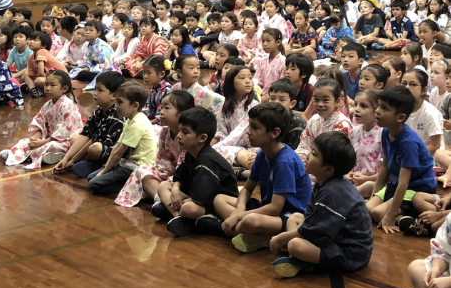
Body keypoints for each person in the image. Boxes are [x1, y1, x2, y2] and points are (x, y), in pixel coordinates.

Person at [270, 132, 374, 278]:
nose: (307, 156)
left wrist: (283, 238)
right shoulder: (325, 183)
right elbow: (311, 220)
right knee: (295, 218)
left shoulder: (333, 192)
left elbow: (316, 233)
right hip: (333, 239)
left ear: (329, 169)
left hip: (349, 254)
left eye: (313, 154)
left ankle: (304, 262)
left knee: (295, 245)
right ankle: (301, 257)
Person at [212, 102, 312, 250]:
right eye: (249, 126)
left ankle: (224, 227)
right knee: (219, 199)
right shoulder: (262, 154)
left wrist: (239, 216)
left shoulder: (285, 162)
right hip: (267, 209)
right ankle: (243, 232)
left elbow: (275, 209)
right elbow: (247, 189)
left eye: (255, 128)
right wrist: (240, 209)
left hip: (289, 217)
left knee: (250, 221)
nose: (248, 132)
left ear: (275, 133)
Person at [157, 108, 240, 238]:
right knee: (163, 186)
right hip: (196, 198)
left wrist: (178, 199)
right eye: (180, 130)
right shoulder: (191, 153)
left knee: (188, 209)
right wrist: (175, 191)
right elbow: (179, 177)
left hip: (214, 204)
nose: (178, 136)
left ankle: (191, 217)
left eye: (185, 132)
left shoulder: (206, 160)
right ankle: (178, 218)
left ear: (202, 138)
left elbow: (200, 199)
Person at [366, 87, 437, 233]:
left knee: (379, 214)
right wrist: (374, 196)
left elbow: (405, 183)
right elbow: (385, 168)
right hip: (398, 185)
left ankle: (415, 222)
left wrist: (390, 216)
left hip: (417, 188)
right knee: (368, 209)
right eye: (379, 105)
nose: (377, 110)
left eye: (384, 108)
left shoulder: (408, 143)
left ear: (400, 117)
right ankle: (402, 217)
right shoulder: (386, 131)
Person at [0, 70, 83, 170]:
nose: (47, 88)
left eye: (52, 85)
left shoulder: (68, 105)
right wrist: (35, 138)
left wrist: (43, 142)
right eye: (46, 85)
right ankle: (17, 154)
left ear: (64, 88)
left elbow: (65, 131)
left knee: (51, 145)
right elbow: (38, 122)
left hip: (64, 142)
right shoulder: (47, 105)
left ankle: (57, 155)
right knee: (24, 142)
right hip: (47, 139)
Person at [87, 81, 156, 197]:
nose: (115, 106)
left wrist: (104, 171)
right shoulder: (130, 119)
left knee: (94, 184)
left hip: (136, 167)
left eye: (120, 102)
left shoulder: (138, 124)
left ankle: (135, 188)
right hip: (127, 163)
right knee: (91, 177)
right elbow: (117, 146)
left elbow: (119, 152)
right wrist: (106, 169)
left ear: (135, 106)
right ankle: (125, 182)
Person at [53, 71, 125, 175]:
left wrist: (73, 159)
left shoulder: (116, 115)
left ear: (113, 96)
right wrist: (68, 157)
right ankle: (84, 160)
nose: (95, 93)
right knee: (74, 138)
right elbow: (85, 135)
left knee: (95, 149)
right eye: (95, 89)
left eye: (100, 90)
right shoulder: (99, 111)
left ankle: (96, 166)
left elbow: (93, 141)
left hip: (114, 154)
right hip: (94, 145)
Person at [296, 78, 352, 164]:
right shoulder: (314, 120)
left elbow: (331, 157)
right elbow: (303, 147)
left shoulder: (342, 125)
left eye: (326, 100)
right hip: (310, 163)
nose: (320, 104)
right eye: (316, 100)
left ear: (337, 101)